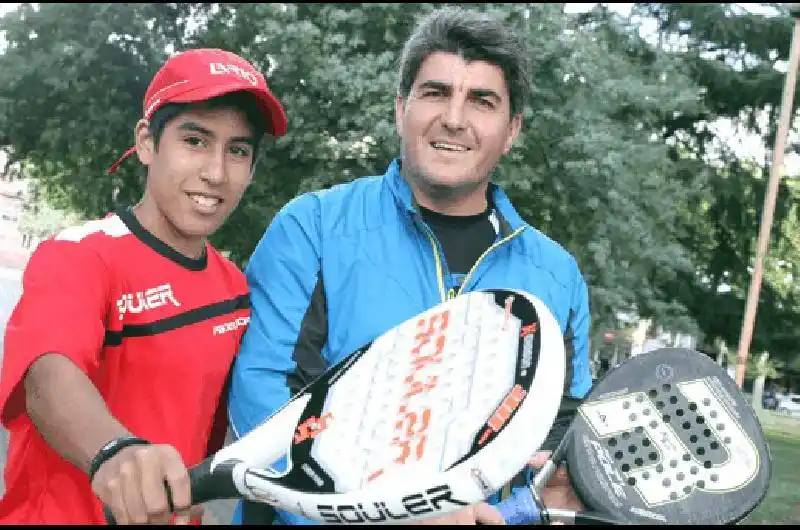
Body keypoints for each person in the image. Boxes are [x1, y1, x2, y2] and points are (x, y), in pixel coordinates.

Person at [227, 6, 592, 525]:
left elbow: (559, 434)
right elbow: (264, 404)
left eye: (482, 101)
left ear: (512, 130)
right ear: (402, 109)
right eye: (435, 93)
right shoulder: (313, 228)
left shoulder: (558, 276)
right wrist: (391, 516)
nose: (455, 119)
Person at [0, 48, 288, 524]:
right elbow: (49, 377)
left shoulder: (234, 289)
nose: (216, 172)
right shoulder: (80, 255)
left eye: (238, 151)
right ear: (147, 143)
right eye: (195, 141)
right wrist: (115, 453)